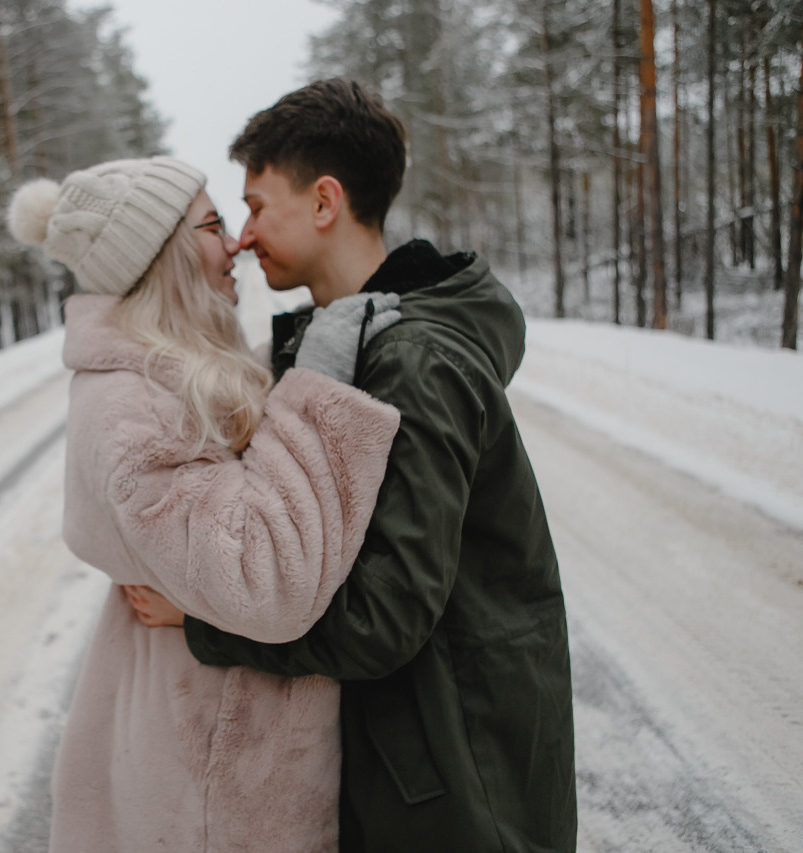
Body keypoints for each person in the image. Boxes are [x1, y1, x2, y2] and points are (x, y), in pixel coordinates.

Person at [129, 80, 577, 852]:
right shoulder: (355, 347)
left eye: (259, 205)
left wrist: (206, 621)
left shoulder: (414, 361)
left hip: (457, 790)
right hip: (424, 762)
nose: (241, 235)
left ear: (325, 202)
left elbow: (386, 615)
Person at [6, 155, 402, 853]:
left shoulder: (169, 373)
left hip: (216, 754)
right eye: (215, 223)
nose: (237, 242)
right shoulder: (133, 410)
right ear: (163, 255)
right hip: (208, 787)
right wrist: (319, 382)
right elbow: (263, 574)